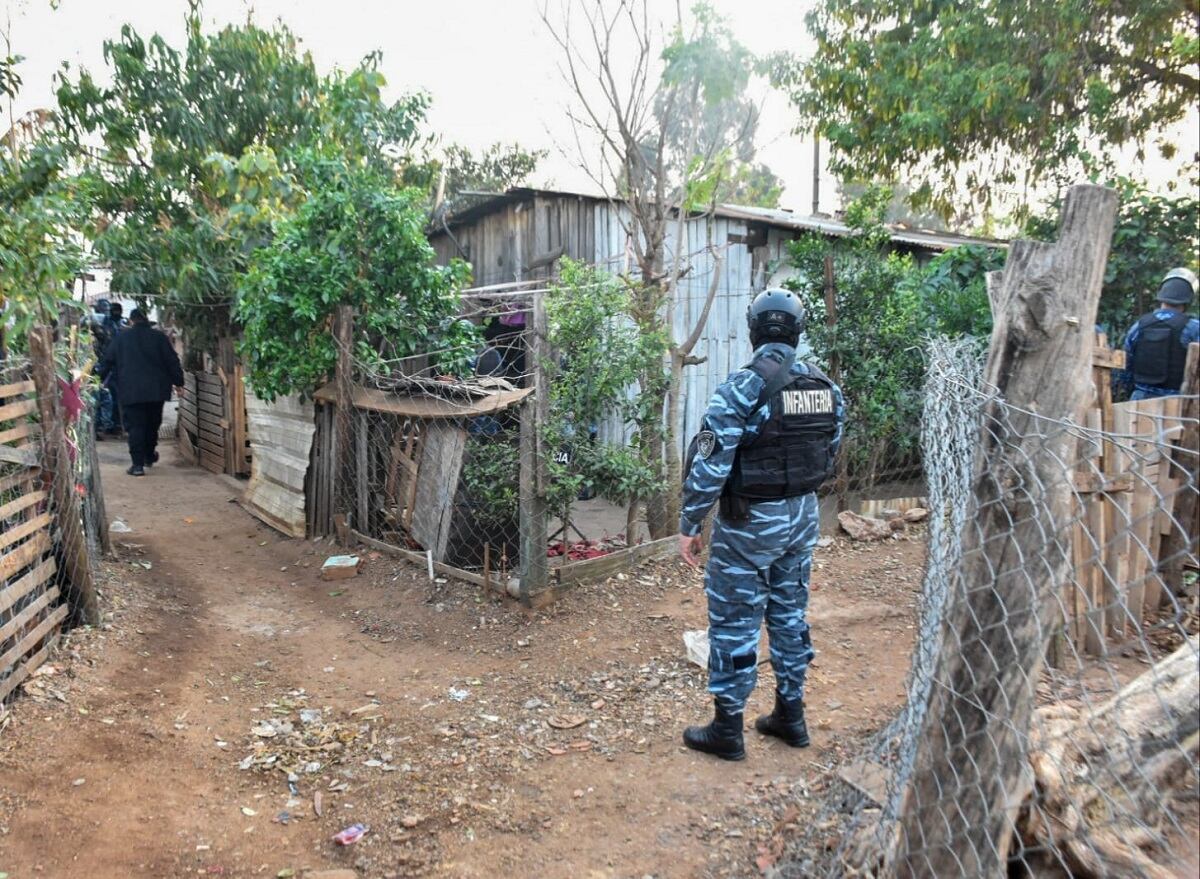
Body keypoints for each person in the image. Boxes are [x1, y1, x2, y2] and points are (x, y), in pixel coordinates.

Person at [677, 288, 844, 761]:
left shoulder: (743, 386)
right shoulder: (825, 387)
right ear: (797, 331)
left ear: (754, 331)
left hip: (750, 521)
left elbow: (710, 461)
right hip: (802, 517)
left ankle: (727, 729)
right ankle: (790, 716)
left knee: (734, 619)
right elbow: (828, 453)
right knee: (789, 614)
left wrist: (691, 522)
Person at [100, 308, 185, 476]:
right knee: (153, 424)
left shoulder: (121, 338)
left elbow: (107, 361)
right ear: (145, 320)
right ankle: (148, 455)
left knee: (136, 427)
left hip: (130, 391)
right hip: (156, 391)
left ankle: (137, 465)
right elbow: (172, 361)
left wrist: (97, 380)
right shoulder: (159, 338)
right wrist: (179, 383)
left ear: (131, 321)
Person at [1120, 268, 1199, 400]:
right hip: (1179, 405)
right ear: (1188, 300)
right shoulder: (1194, 328)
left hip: (1138, 402)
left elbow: (1125, 366)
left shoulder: (1139, 326)